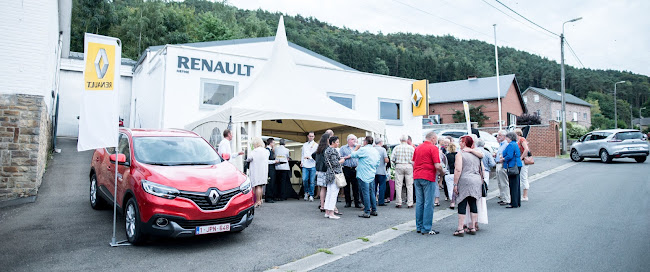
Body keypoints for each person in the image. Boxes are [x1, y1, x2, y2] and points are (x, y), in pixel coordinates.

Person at [412, 131, 444, 235]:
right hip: (428, 176)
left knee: (420, 202)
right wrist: (442, 173)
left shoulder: (418, 147)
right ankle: (426, 228)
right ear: (433, 138)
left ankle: (419, 226)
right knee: (429, 203)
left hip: (417, 175)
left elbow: (413, 162)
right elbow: (437, 165)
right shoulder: (433, 148)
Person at [453, 136, 484, 236]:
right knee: (473, 202)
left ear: (465, 143)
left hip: (465, 179)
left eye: (461, 142)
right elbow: (481, 169)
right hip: (476, 179)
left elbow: (458, 170)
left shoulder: (460, 154)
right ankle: (472, 226)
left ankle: (460, 228)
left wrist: (455, 184)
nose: (459, 143)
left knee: (462, 202)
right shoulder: (476, 154)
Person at [349, 136, 380, 218]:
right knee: (372, 192)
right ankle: (374, 209)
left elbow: (353, 155)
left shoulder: (363, 149)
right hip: (372, 173)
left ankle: (367, 211)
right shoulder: (375, 151)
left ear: (365, 142)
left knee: (365, 193)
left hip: (363, 174)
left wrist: (356, 148)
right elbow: (377, 163)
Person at [323, 136, 345, 219]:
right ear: (333, 142)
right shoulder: (332, 150)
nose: (338, 143)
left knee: (329, 193)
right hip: (335, 174)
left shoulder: (327, 150)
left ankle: (327, 212)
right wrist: (341, 161)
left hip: (329, 173)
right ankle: (331, 213)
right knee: (333, 194)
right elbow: (335, 163)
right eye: (337, 142)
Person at [390, 134, 415, 208]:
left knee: (398, 184)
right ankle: (410, 202)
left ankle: (398, 202)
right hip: (409, 165)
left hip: (399, 165)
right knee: (409, 185)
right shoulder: (411, 148)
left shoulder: (396, 148)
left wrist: (395, 164)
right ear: (407, 140)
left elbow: (392, 158)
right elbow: (414, 158)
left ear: (400, 140)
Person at [245, 137, 269, 208]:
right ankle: (260, 200)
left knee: (257, 186)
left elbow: (248, 158)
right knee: (260, 186)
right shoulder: (266, 151)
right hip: (263, 171)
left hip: (256, 170)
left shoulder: (254, 151)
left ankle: (257, 201)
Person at [339, 134, 361, 208]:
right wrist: (347, 157)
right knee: (346, 186)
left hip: (355, 168)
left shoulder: (358, 148)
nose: (354, 141)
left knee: (356, 186)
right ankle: (348, 202)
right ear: (348, 140)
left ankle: (357, 202)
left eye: (355, 139)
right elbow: (340, 157)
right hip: (346, 168)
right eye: (352, 139)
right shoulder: (343, 148)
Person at [502, 132, 523, 208]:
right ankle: (517, 202)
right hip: (518, 164)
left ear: (510, 138)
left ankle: (513, 203)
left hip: (513, 165)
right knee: (516, 184)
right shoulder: (515, 144)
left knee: (513, 184)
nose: (506, 139)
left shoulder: (510, 145)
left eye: (507, 137)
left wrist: (503, 159)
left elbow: (510, 155)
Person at [313, 133, 330, 211]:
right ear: (327, 139)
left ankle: (322, 205)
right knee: (329, 188)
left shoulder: (319, 149)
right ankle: (327, 205)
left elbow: (313, 155)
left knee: (322, 188)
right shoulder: (327, 148)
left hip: (319, 171)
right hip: (326, 170)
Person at [301, 132, 318, 201]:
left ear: (314, 137)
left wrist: (310, 157)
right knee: (304, 179)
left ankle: (311, 195)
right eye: (310, 136)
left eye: (312, 136)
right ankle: (306, 192)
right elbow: (302, 154)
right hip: (305, 164)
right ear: (308, 136)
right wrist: (301, 162)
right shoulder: (304, 145)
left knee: (312, 181)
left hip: (313, 164)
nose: (311, 137)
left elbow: (317, 155)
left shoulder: (316, 145)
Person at [495, 130, 510, 206]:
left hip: (502, 164)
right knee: (500, 182)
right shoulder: (501, 145)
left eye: (500, 135)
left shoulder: (506, 144)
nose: (498, 136)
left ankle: (506, 198)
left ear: (504, 136)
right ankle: (502, 197)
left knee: (503, 182)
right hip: (498, 163)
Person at [515, 128, 531, 201]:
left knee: (523, 176)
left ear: (517, 134)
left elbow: (526, 149)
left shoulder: (522, 139)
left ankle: (525, 196)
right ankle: (524, 195)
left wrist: (521, 157)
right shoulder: (518, 140)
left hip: (523, 161)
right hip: (520, 160)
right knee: (522, 176)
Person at [374, 138, 389, 206]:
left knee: (373, 187)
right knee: (382, 187)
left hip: (373, 171)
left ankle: (373, 200)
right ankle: (381, 201)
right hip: (382, 171)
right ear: (380, 142)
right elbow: (386, 160)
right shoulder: (383, 149)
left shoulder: (372, 149)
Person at [265, 138, 279, 203]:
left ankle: (272, 196)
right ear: (270, 143)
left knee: (273, 182)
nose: (274, 144)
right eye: (273, 143)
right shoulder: (267, 151)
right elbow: (266, 161)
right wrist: (274, 161)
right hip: (269, 169)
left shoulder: (270, 150)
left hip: (272, 168)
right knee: (270, 183)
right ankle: (268, 197)